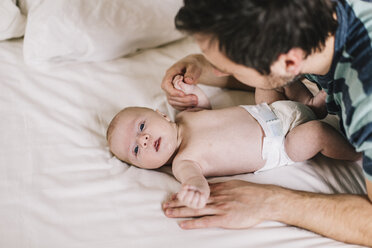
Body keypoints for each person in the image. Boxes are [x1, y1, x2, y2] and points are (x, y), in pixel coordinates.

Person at [160, 0, 372, 246]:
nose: (217, 71)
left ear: (290, 62)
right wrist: (200, 65)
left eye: (226, 67)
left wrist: (272, 201)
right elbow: (272, 77)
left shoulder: (366, 101)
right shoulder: (313, 25)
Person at [107, 76, 360, 209]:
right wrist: (195, 191)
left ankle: (312, 104)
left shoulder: (186, 117)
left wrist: (192, 93)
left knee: (267, 79)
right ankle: (357, 152)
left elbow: (205, 108)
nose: (144, 139)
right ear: (145, 167)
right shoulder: (183, 162)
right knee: (316, 133)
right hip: (281, 144)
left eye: (142, 127)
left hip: (269, 108)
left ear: (161, 115)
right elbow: (195, 180)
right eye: (136, 149)